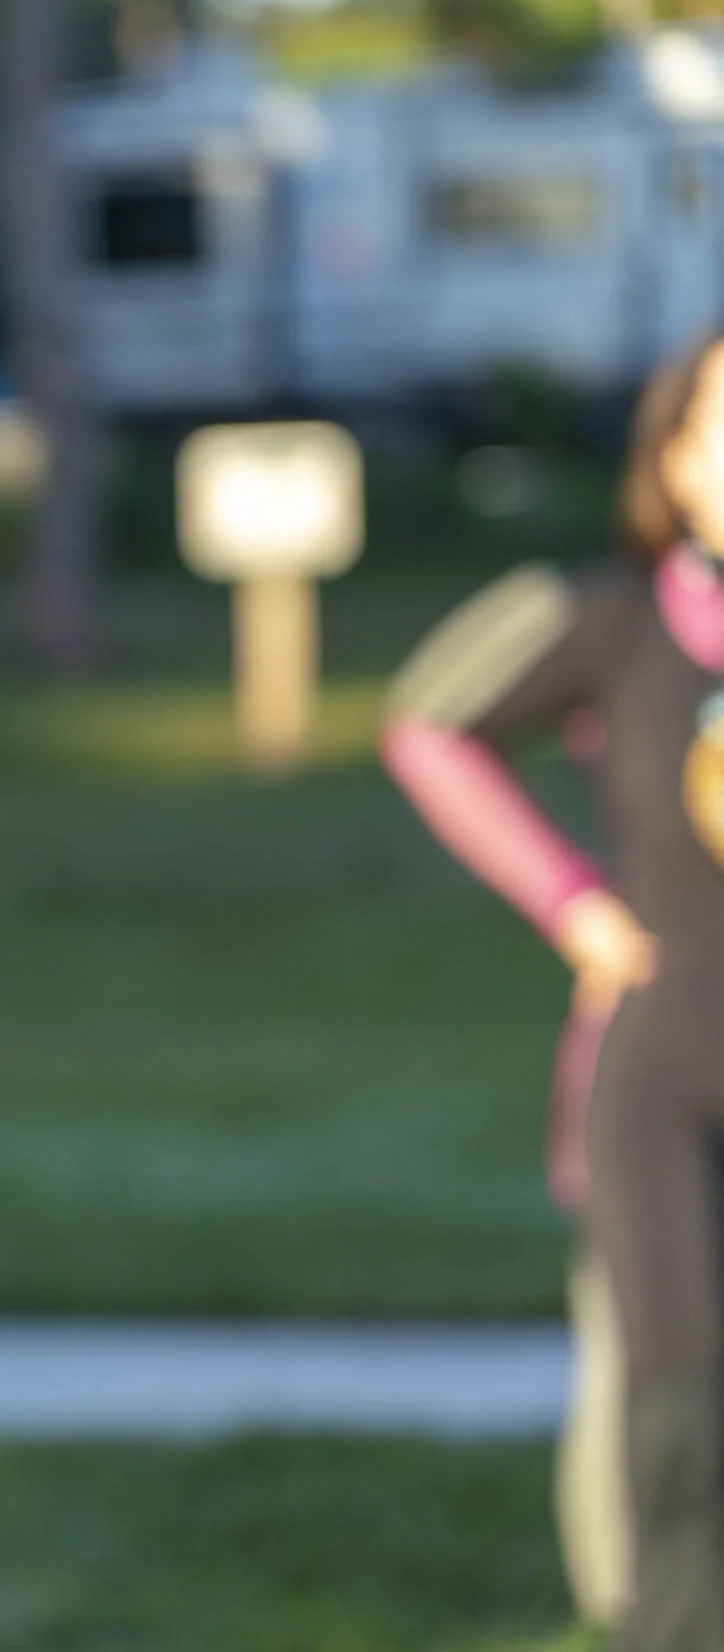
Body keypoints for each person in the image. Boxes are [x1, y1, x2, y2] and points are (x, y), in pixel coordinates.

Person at [384, 335, 724, 1651]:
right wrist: (575, 905)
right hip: (667, 1071)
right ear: (676, 461)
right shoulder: (610, 616)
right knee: (677, 1410)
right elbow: (428, 722)